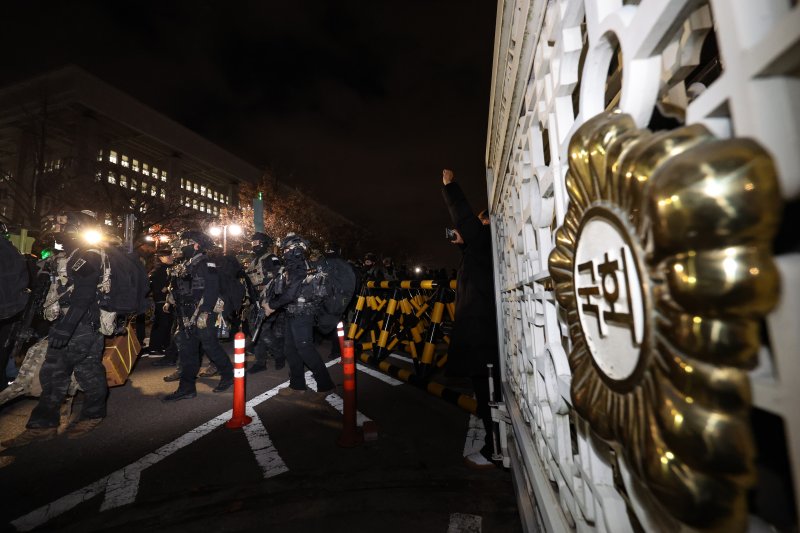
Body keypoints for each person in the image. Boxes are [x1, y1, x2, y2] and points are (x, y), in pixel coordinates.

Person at [1, 212, 109, 447]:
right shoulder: (66, 255)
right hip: (68, 322)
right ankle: (46, 425)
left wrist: (67, 328)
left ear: (77, 228)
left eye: (63, 224)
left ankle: (86, 415)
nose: (58, 228)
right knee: (69, 371)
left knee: (73, 372)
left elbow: (84, 294)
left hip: (82, 323)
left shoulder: (88, 256)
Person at [441, 168, 500, 470]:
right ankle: (497, 445)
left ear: (487, 222)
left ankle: (494, 450)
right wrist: (464, 242)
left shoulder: (486, 240)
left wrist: (451, 188)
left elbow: (465, 219)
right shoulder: (481, 249)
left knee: (489, 394)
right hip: (484, 332)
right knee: (488, 393)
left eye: (479, 221)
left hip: (483, 335)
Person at [162, 230, 234, 402]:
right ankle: (187, 389)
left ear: (196, 245)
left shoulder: (206, 263)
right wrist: (170, 299)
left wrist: (206, 312)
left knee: (211, 347)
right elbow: (178, 287)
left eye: (185, 241)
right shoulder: (185, 264)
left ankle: (228, 376)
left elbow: (212, 289)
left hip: (202, 313)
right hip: (185, 314)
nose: (180, 245)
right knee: (187, 351)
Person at [262, 233, 335, 399]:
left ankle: (326, 385)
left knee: (305, 349)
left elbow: (290, 294)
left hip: (302, 313)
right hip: (292, 311)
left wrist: (271, 307)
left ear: (295, 249)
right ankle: (297, 385)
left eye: (287, 249)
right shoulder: (294, 266)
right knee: (290, 349)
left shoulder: (299, 266)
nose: (284, 252)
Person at [245, 232, 285, 374]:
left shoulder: (271, 258)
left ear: (264, 244)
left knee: (263, 330)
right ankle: (260, 362)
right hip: (255, 300)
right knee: (255, 329)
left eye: (257, 243)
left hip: (268, 300)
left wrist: (272, 300)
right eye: (253, 243)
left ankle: (279, 354)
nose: (254, 246)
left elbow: (279, 276)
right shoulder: (253, 261)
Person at [146, 246, 174, 357]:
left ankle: (162, 346)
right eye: (168, 256)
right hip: (161, 301)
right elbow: (160, 289)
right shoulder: (159, 271)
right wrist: (169, 287)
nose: (171, 257)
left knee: (166, 324)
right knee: (162, 324)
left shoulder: (165, 269)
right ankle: (155, 348)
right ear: (161, 257)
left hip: (165, 300)